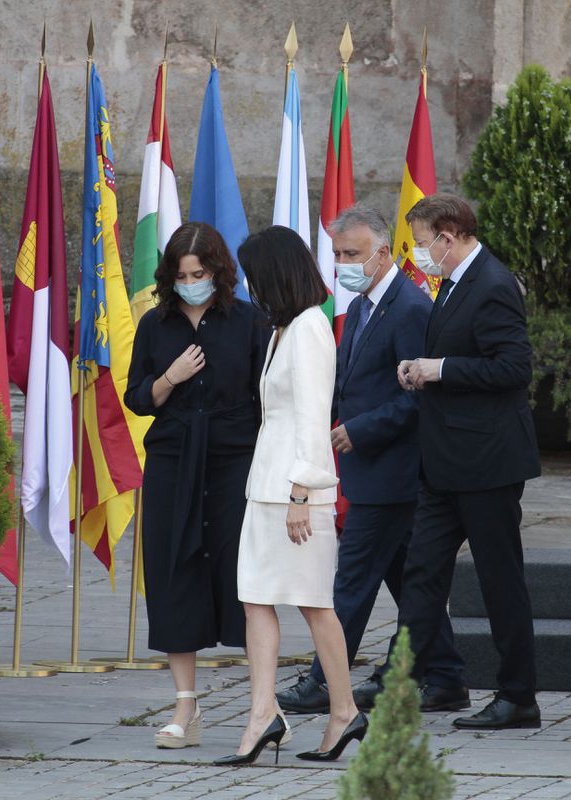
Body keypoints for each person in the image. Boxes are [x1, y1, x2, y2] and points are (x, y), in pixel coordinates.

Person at [276, 206, 467, 716]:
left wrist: (359, 430)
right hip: (371, 472)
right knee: (410, 582)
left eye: (352, 254)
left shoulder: (410, 308)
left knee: (351, 582)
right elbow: (350, 383)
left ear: (383, 253)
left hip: (394, 471)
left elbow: (419, 397)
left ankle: (324, 682)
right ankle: (446, 677)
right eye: (337, 254)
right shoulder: (363, 305)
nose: (342, 264)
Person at [216, 225, 367, 766]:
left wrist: (302, 491)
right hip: (267, 487)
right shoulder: (284, 329)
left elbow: (312, 414)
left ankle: (343, 711)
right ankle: (263, 713)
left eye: (255, 276)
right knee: (256, 598)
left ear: (276, 274)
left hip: (295, 492)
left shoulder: (308, 329)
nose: (250, 287)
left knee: (315, 604)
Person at [395, 193, 542, 731]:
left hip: (487, 464)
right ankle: (400, 680)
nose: (418, 253)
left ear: (448, 237)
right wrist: (421, 369)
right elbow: (462, 355)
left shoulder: (493, 283)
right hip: (446, 463)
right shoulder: (455, 282)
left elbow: (513, 368)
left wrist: (440, 370)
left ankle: (518, 696)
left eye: (421, 242)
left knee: (499, 580)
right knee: (421, 572)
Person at [123, 222, 267, 750]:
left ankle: (263, 706)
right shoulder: (155, 324)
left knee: (244, 579)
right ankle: (186, 707)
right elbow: (137, 397)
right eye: (181, 276)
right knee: (173, 575)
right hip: (173, 463)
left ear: (217, 271)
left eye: (198, 274)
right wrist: (170, 378)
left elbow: (266, 397)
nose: (190, 283)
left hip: (234, 464)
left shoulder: (249, 321)